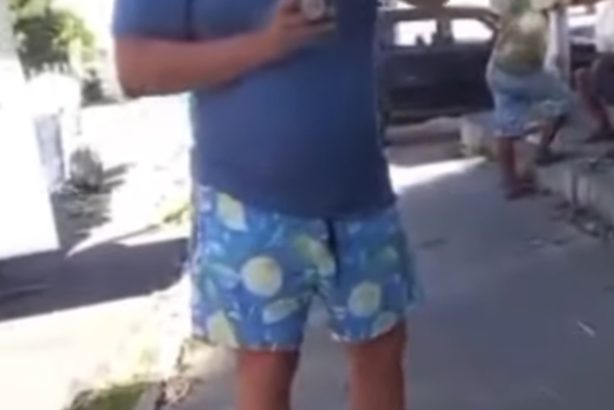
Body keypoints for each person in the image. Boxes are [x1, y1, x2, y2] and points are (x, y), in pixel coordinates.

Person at [112, 0, 443, 409]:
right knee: (266, 366)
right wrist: (267, 44)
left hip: (360, 193)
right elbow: (136, 69)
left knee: (381, 353)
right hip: (245, 204)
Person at [487, 0, 574, 199]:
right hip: (525, 71)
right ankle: (542, 151)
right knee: (563, 101)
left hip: (499, 67)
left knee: (505, 128)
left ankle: (510, 182)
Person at [574, 0, 614, 142]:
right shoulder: (603, 12)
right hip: (610, 61)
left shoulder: (613, 10)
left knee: (590, 74)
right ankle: (605, 125)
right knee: (582, 76)